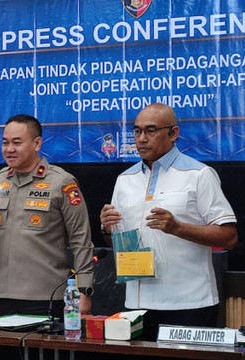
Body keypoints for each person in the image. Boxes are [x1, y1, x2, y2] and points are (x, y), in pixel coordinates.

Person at [100, 103, 237, 340]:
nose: (141, 139)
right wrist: (107, 228)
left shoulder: (199, 175)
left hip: (189, 303)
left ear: (173, 133)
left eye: (151, 130)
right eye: (137, 131)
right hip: (138, 303)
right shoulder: (125, 179)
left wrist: (177, 227)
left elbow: (229, 237)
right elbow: (117, 243)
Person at [0, 114, 94, 317]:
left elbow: (81, 239)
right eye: (5, 142)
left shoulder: (62, 182)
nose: (9, 149)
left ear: (37, 143)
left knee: (43, 350)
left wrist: (84, 290)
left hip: (47, 295)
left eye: (17, 142)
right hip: (4, 293)